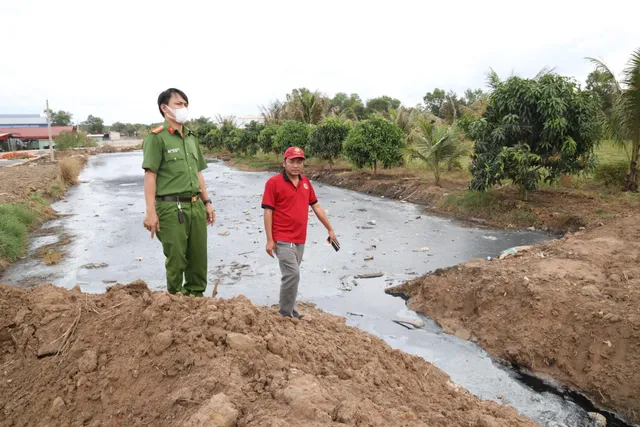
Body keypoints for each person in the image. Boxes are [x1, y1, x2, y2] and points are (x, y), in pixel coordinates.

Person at [141, 88, 215, 296]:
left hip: (195, 205)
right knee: (176, 258)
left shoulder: (191, 138)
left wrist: (207, 202)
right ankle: (175, 301)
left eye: (185, 104)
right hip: (171, 208)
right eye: (178, 104)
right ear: (164, 108)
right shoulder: (156, 138)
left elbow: (198, 173)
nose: (184, 108)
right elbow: (150, 176)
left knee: (198, 257)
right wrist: (150, 212)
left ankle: (196, 297)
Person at [261, 146, 339, 320]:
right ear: (284, 162)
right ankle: (285, 315)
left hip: (299, 237)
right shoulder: (273, 183)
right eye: (292, 161)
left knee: (293, 276)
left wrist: (330, 228)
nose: (296, 165)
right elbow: (268, 211)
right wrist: (269, 240)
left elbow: (316, 206)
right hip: (282, 236)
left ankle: (292, 311)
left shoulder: (305, 182)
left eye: (299, 162)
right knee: (292, 274)